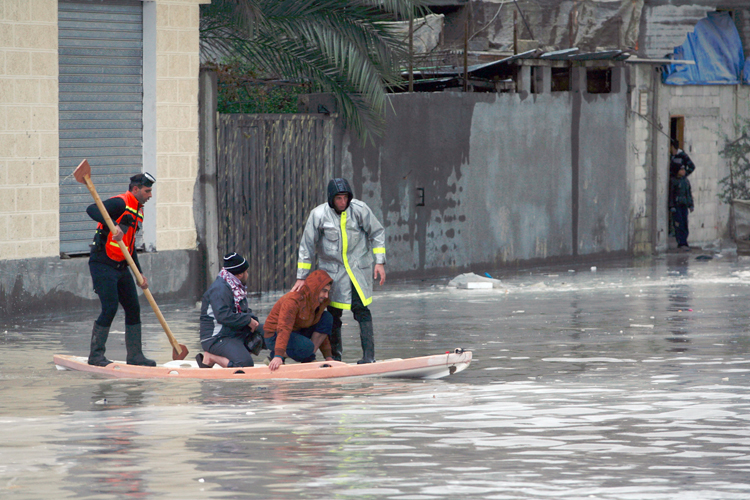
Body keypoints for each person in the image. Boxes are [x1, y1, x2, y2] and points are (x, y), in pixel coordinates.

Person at [293, 178, 386, 364]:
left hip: (357, 271)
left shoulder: (359, 210)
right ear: (331, 199)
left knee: (361, 311)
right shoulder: (318, 215)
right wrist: (302, 277)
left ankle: (369, 356)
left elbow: (377, 232)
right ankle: (335, 357)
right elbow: (307, 246)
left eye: (345, 198)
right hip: (333, 274)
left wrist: (380, 262)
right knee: (333, 314)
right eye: (339, 198)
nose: (343, 202)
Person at [86, 172, 156, 366]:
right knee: (110, 307)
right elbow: (91, 209)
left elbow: (130, 246)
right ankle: (96, 356)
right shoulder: (120, 203)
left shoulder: (138, 210)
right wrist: (114, 224)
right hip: (103, 263)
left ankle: (135, 356)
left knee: (133, 308)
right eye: (147, 191)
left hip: (122, 265)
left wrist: (138, 274)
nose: (150, 195)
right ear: (135, 189)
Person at [197, 253, 264, 368]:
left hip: (234, 331)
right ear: (240, 274)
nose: (248, 275)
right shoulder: (220, 289)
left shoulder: (236, 286)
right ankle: (211, 357)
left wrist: (253, 320)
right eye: (246, 272)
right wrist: (248, 320)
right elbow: (223, 316)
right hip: (217, 337)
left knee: (271, 331)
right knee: (245, 365)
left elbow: (243, 310)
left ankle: (278, 362)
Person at [263, 269, 335, 371]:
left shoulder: (318, 302)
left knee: (327, 317)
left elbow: (321, 330)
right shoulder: (293, 301)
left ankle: (308, 358)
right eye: (324, 291)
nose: (326, 296)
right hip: (275, 335)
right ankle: (274, 356)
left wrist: (328, 357)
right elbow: (284, 328)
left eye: (327, 291)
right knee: (307, 347)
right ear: (315, 289)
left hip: (297, 330)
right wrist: (278, 355)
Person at [670, 165, 694, 250]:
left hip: (684, 206)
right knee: (679, 224)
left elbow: (689, 194)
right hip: (677, 206)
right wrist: (672, 206)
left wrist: (691, 205)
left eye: (684, 170)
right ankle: (681, 242)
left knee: (685, 224)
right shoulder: (674, 181)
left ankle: (684, 241)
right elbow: (671, 195)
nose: (683, 171)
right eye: (681, 170)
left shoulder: (686, 181)